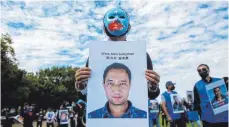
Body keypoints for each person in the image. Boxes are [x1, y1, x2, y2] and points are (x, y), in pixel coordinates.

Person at [74, 6, 160, 123]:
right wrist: (81, 86)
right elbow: (88, 96)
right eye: (111, 17)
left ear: (129, 26)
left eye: (121, 16)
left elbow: (151, 94)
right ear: (104, 28)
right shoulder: (94, 56)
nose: (116, 20)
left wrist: (153, 86)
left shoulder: (142, 56)